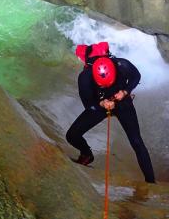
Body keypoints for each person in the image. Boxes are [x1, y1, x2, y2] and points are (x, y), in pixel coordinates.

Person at [66, 42, 156, 184]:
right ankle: (87, 154)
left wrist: (125, 91)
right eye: (103, 84)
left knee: (137, 142)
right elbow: (88, 104)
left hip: (122, 101)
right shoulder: (85, 77)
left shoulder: (121, 65)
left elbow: (136, 76)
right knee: (71, 136)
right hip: (100, 104)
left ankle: (151, 182)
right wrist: (101, 103)